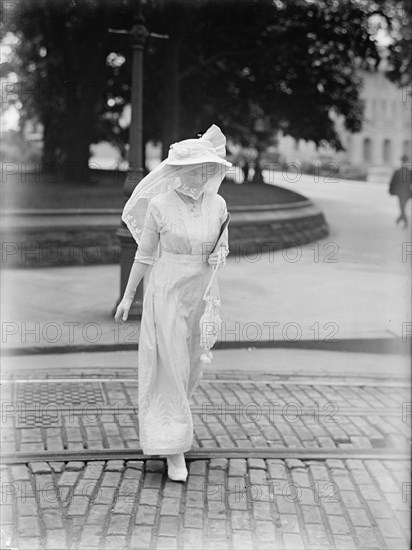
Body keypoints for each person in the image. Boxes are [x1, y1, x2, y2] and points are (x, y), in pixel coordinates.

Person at [114, 125, 231, 482]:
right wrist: (128, 296)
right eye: (195, 168)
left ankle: (172, 429)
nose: (202, 174)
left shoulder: (219, 204)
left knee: (190, 366)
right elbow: (145, 254)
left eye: (206, 168)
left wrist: (217, 257)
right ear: (178, 171)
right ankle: (174, 448)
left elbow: (221, 247)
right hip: (165, 290)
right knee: (171, 366)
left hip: (199, 292)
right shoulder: (160, 206)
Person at [389, 154, 412, 228]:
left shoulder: (398, 171)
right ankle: (399, 219)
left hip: (401, 193)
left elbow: (392, 182)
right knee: (403, 208)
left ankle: (404, 222)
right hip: (407, 193)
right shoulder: (409, 172)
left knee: (402, 208)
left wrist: (391, 190)